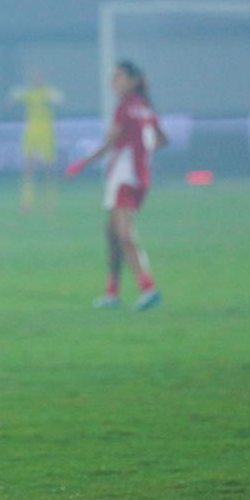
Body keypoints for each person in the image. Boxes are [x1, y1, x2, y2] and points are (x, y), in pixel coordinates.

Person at [66, 60, 167, 311]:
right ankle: (112, 292)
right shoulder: (145, 107)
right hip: (141, 178)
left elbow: (110, 142)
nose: (114, 82)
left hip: (123, 177)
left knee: (123, 234)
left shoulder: (124, 107)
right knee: (112, 235)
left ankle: (148, 287)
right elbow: (162, 139)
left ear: (133, 81)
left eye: (119, 77)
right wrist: (143, 152)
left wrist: (82, 163)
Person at [9, 70, 63, 212]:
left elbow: (59, 99)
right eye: (35, 77)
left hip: (46, 132)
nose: (37, 79)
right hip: (31, 131)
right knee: (28, 168)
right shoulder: (29, 93)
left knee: (49, 168)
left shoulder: (48, 92)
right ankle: (27, 203)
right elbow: (13, 96)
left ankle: (50, 203)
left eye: (40, 77)